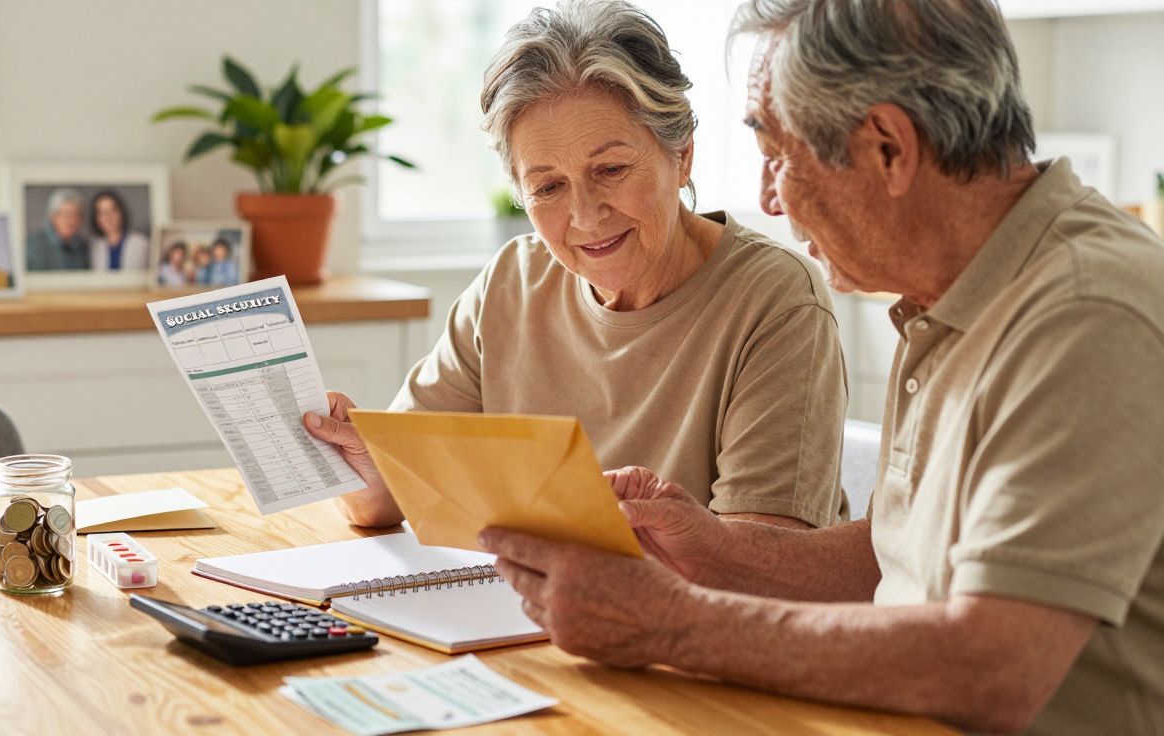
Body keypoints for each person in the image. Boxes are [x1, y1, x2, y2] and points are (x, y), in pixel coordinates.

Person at [480, 2, 1164, 734]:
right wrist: (715, 549)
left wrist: (667, 621)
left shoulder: (1085, 311)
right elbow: (894, 560)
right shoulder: (955, 295)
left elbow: (992, 663)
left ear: (888, 149)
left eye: (780, 154)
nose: (770, 198)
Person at [305, 0, 848, 531]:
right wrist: (353, 457)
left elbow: (759, 563)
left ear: (681, 153)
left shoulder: (776, 300)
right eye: (547, 186)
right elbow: (387, 496)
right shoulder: (510, 283)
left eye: (610, 168)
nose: (585, 216)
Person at [88, 189, 149, 272]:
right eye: (102, 213)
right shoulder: (94, 247)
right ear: (96, 219)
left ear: (121, 212)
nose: (108, 217)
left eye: (112, 210)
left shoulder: (140, 243)